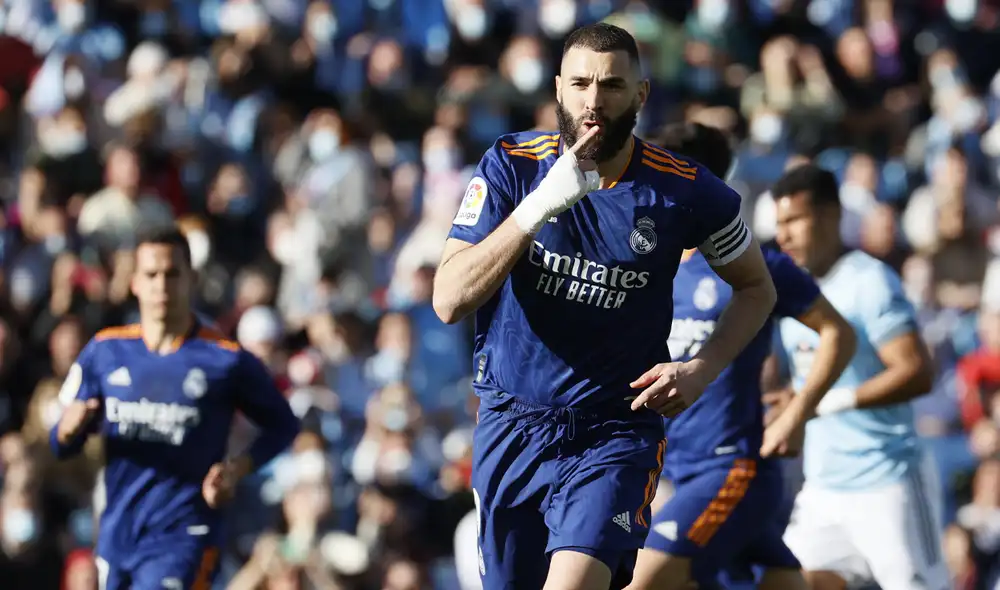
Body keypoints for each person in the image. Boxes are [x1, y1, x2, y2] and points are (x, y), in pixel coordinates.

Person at [434, 24, 778, 590]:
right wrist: (538, 207)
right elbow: (448, 299)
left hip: (615, 433)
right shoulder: (512, 166)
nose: (594, 101)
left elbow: (757, 287)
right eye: (581, 84)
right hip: (510, 426)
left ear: (641, 95)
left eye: (613, 85)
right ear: (558, 90)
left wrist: (702, 369)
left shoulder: (687, 191)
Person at [626, 123, 856, 590]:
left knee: (644, 581)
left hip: (733, 468)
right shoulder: (651, 267)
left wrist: (797, 413)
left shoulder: (757, 267)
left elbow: (838, 333)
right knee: (787, 584)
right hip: (677, 473)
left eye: (658, 172)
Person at [50, 225, 301, 589]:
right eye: (151, 275)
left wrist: (236, 469)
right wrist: (69, 428)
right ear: (135, 282)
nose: (161, 287)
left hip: (185, 533)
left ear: (192, 279)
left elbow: (283, 425)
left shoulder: (224, 359)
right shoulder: (104, 352)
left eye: (172, 274)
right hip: (119, 532)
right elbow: (60, 443)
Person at [768, 164, 947, 590]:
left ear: (830, 216)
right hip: (824, 489)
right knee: (786, 583)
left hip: (888, 482)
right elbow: (818, 377)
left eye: (795, 220)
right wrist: (792, 400)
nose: (784, 236)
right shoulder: (797, 294)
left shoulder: (870, 281)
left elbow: (918, 372)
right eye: (779, 224)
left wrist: (828, 402)